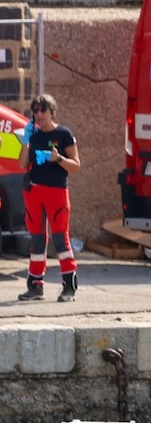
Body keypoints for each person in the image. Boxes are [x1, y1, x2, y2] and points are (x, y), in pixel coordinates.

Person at [18, 94, 81, 302]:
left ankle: (69, 287)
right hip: (34, 191)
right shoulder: (34, 135)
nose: (38, 114)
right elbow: (21, 164)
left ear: (52, 112)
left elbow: (76, 165)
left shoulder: (64, 134)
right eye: (35, 110)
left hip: (56, 192)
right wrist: (26, 141)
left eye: (42, 110)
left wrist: (58, 158)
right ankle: (35, 286)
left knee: (60, 239)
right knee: (37, 239)